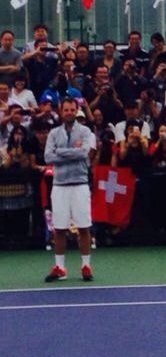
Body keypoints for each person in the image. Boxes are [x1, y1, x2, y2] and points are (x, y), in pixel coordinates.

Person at [43, 96, 94, 281]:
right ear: (61, 111)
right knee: (59, 228)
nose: (69, 113)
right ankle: (60, 267)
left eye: (72, 109)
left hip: (80, 184)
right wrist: (72, 152)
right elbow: (48, 157)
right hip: (59, 185)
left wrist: (60, 151)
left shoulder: (85, 131)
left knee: (83, 227)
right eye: (66, 110)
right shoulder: (54, 133)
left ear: (76, 110)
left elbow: (84, 153)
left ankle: (86, 266)